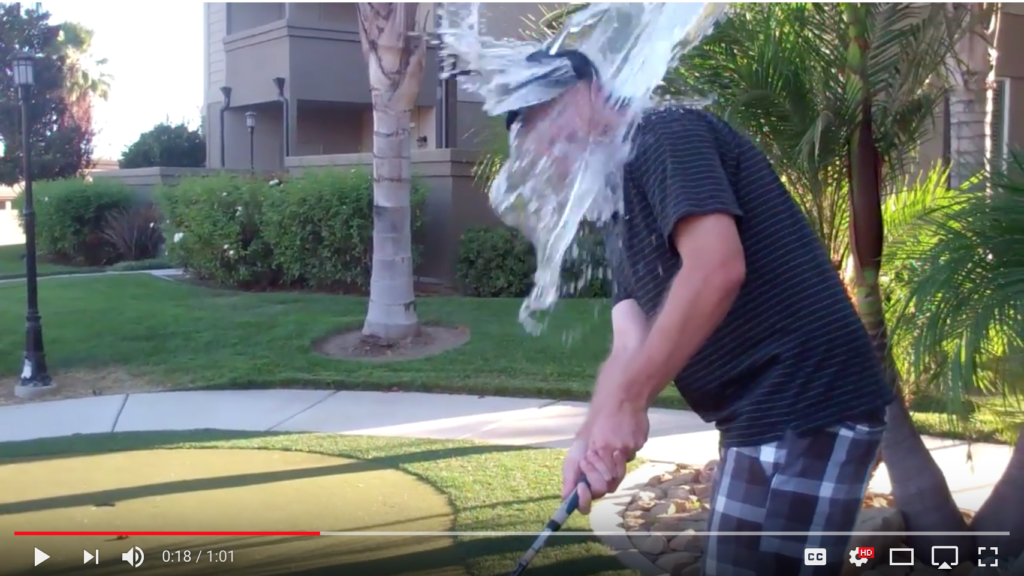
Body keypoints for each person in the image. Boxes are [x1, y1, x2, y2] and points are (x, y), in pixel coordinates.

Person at [503, 50, 893, 576]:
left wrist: (633, 399)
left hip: (813, 396)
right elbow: (629, 342)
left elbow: (715, 268)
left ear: (593, 89)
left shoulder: (662, 132)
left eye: (551, 110)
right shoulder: (616, 203)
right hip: (756, 415)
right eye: (530, 126)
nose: (547, 136)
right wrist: (594, 434)